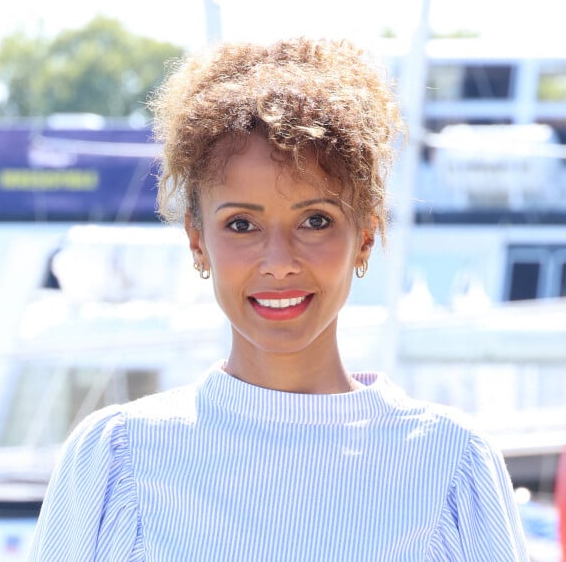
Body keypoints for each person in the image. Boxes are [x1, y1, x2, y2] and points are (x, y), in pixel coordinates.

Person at [29, 37, 528, 561]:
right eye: (241, 225)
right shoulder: (116, 458)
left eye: (315, 221)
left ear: (365, 235)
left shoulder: (451, 463)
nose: (279, 260)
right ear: (198, 242)